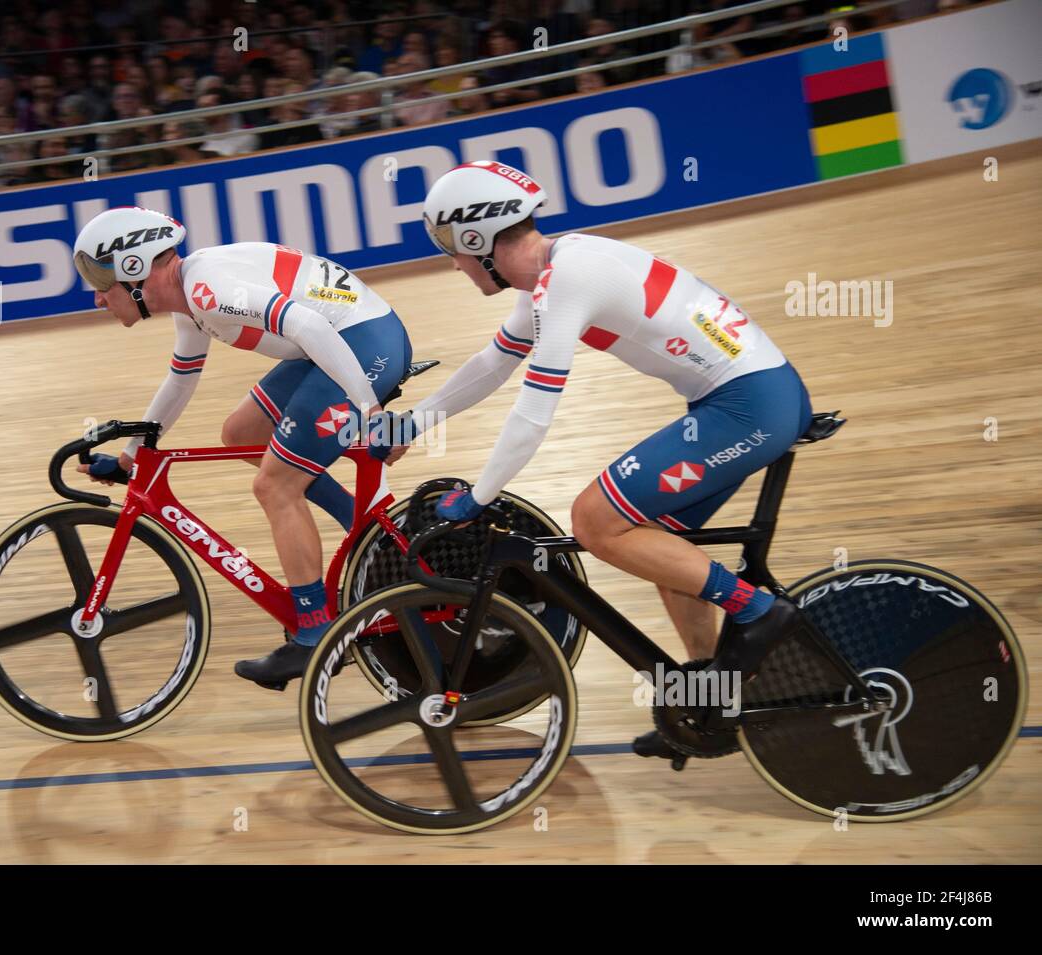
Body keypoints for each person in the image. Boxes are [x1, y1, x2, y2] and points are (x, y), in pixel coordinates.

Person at [392, 161, 816, 762]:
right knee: (665, 549)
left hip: (748, 404)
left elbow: (534, 414)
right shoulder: (555, 268)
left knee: (594, 519)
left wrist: (481, 495)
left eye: (450, 250)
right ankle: (709, 699)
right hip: (749, 397)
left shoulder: (568, 278)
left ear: (476, 240)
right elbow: (492, 366)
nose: (453, 265)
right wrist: (414, 421)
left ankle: (758, 612)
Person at [72, 207, 413, 687]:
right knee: (241, 435)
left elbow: (311, 328)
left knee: (276, 487)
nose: (96, 296)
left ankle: (315, 633)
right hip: (341, 341)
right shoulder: (190, 300)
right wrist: (132, 455)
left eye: (99, 279)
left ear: (133, 267)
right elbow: (180, 381)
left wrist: (369, 411)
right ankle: (360, 522)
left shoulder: (206, 291)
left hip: (361, 343)